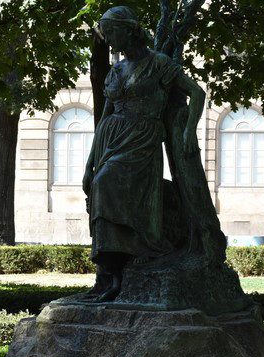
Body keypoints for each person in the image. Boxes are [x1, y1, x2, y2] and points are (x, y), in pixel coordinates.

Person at [82, 6, 206, 302]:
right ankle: (113, 277)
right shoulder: (115, 70)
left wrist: (189, 130)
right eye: (105, 33)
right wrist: (89, 164)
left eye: (112, 32)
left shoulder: (159, 64)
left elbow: (197, 93)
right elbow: (104, 118)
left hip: (142, 137)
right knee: (98, 188)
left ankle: (139, 257)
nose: (108, 39)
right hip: (111, 138)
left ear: (129, 30)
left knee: (108, 187)